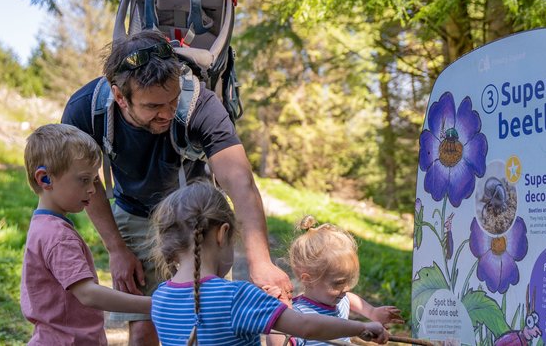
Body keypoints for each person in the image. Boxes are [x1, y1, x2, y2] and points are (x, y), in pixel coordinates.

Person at [61, 29, 291, 345]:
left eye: (172, 101)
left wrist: (260, 261)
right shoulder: (85, 110)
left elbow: (239, 180)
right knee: (143, 327)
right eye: (154, 106)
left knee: (204, 324)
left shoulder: (199, 103)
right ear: (119, 96)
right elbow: (85, 181)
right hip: (133, 211)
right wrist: (116, 248)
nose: (167, 113)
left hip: (194, 218)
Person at [149, 182, 390, 345]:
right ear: (222, 234)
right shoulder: (238, 296)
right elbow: (304, 325)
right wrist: (359, 328)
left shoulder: (160, 298)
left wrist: (270, 306)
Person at [20, 123, 152, 345]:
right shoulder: (57, 236)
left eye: (94, 180)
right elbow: (88, 294)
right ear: (45, 179)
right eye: (84, 179)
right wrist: (152, 305)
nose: (92, 189)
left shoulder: (43, 225)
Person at [283, 215, 405, 346]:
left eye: (348, 280)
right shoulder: (298, 315)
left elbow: (350, 299)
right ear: (308, 280)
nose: (346, 289)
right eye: (338, 283)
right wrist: (281, 314)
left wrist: (371, 312)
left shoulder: (339, 301)